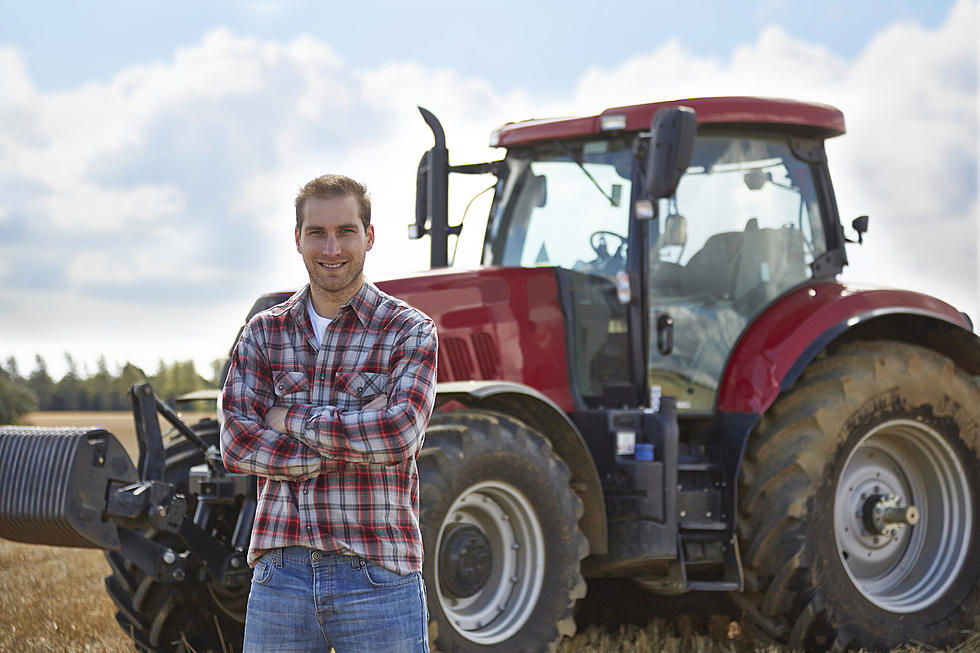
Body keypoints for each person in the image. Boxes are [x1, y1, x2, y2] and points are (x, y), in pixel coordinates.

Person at [220, 174, 437, 652]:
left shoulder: (408, 331)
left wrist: (288, 419)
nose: (332, 246)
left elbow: (399, 435)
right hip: (281, 576)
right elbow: (236, 443)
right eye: (317, 232)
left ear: (369, 236)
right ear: (298, 239)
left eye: (346, 231)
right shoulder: (263, 333)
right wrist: (354, 438)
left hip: (378, 573)